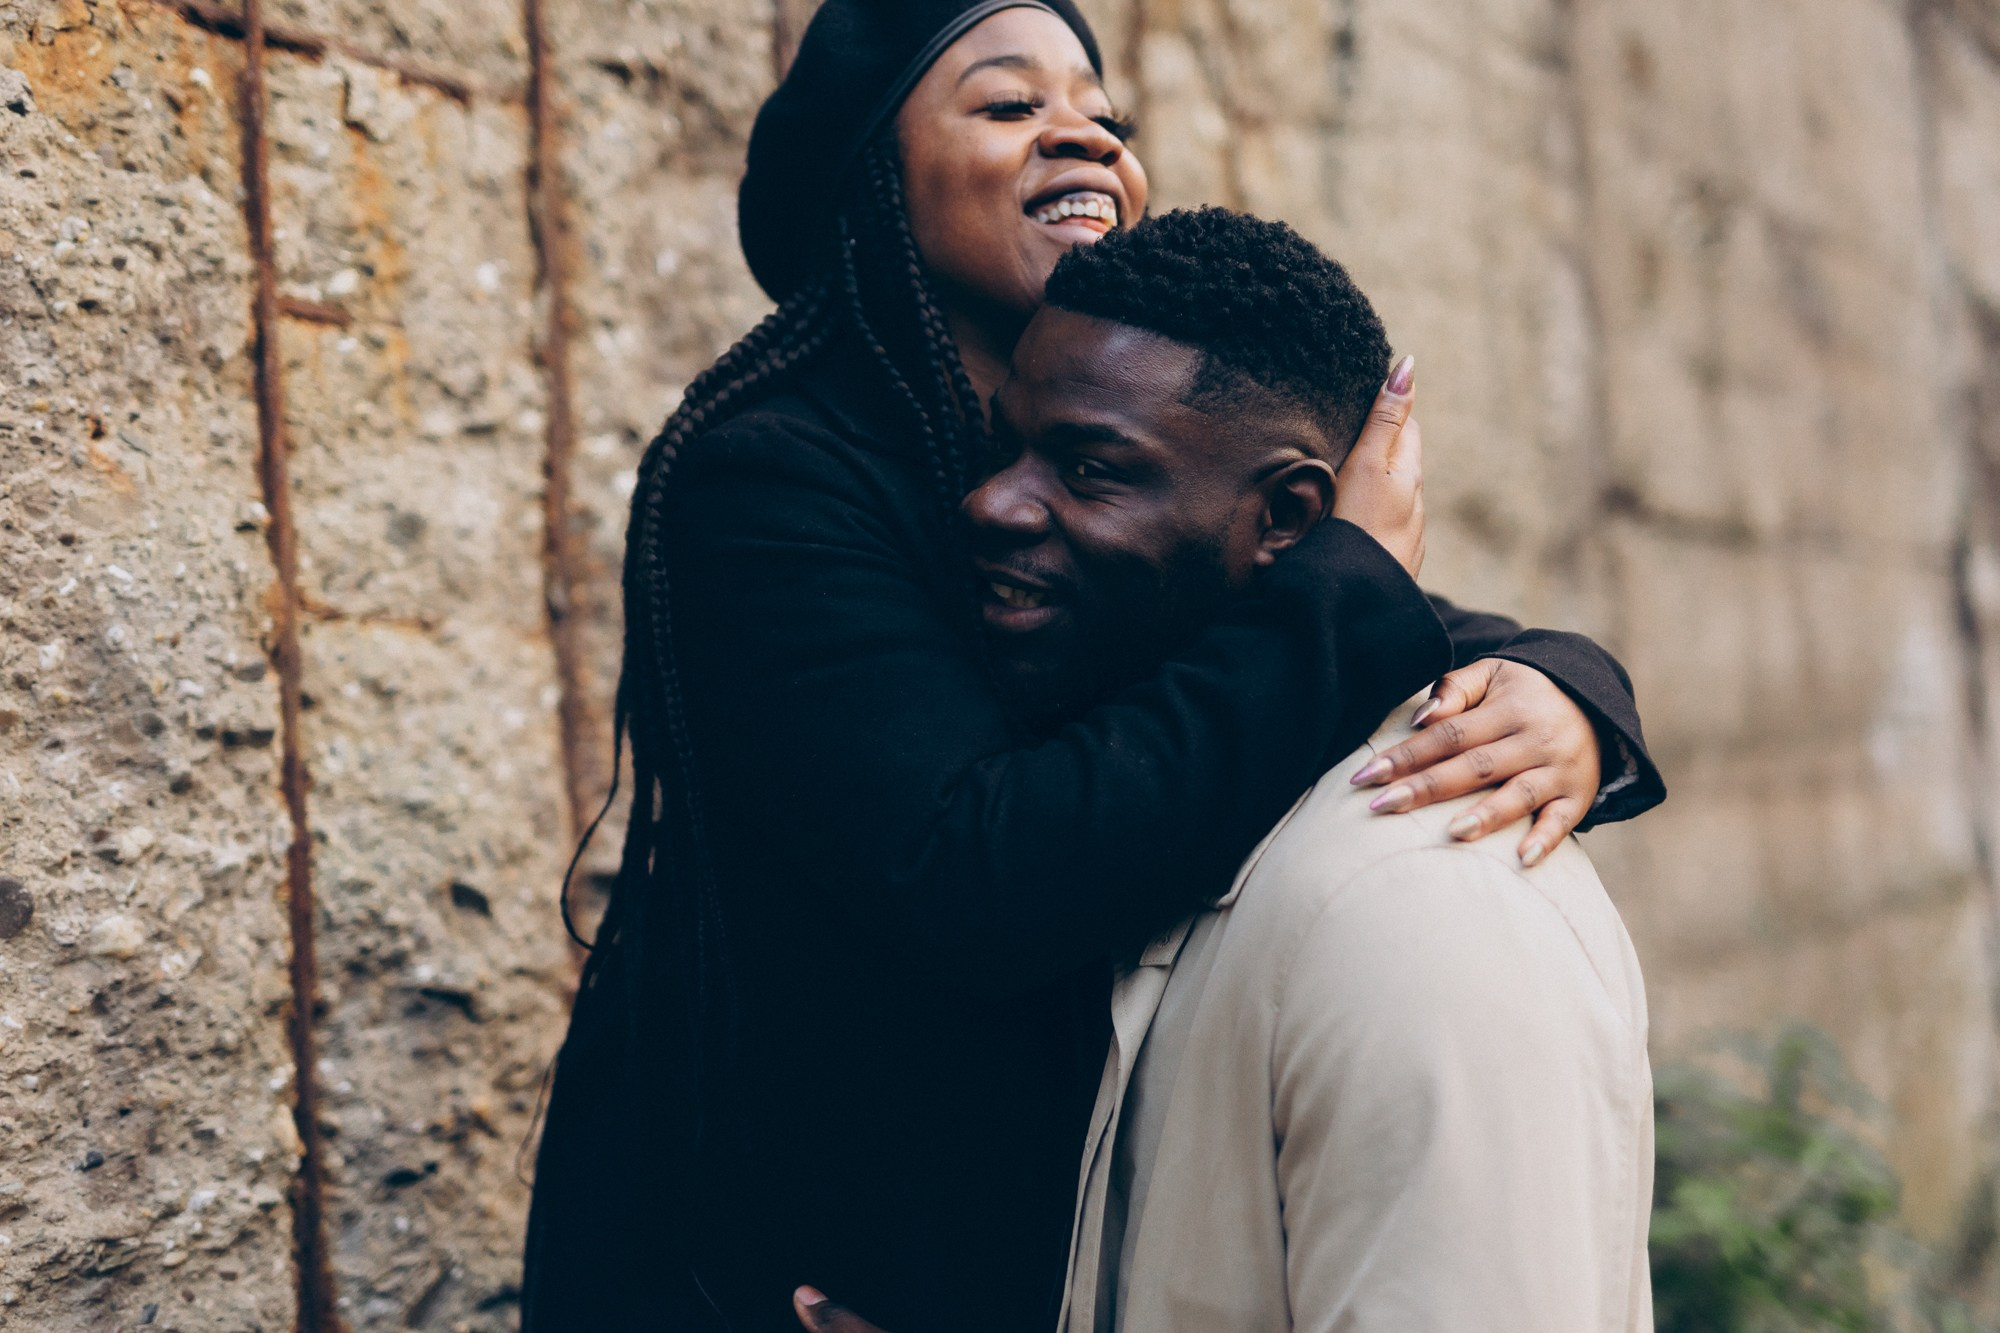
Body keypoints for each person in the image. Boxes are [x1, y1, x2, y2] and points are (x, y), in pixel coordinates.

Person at [521, 3, 1664, 1330]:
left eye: (1103, 113)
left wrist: (1561, 687)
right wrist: (1349, 589)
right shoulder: (776, 475)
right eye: (1010, 106)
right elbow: (975, 865)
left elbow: (1279, 616)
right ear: (869, 174)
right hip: (764, 1252)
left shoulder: (1084, 428)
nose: (1080, 131)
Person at [797, 208, 1652, 1333]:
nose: (989, 501)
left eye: (1089, 468)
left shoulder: (1423, 913)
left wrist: (1568, 680)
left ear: (1291, 520)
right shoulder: (1186, 796)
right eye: (1000, 446)